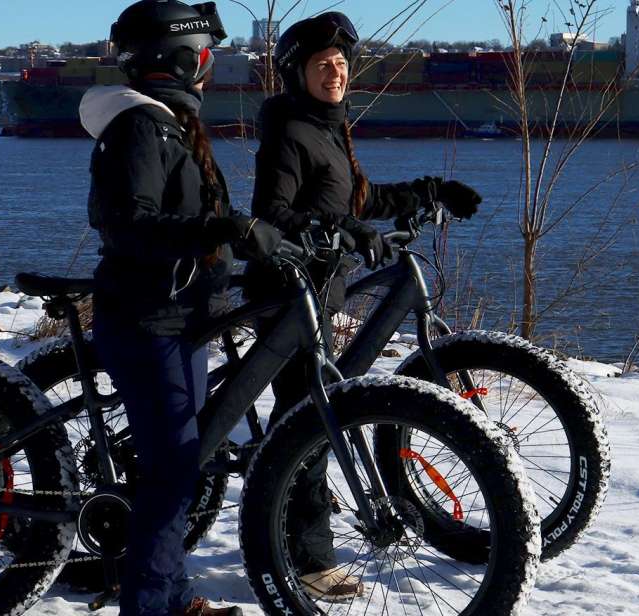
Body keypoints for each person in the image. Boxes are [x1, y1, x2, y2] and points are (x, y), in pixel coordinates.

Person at [248, 11, 484, 601]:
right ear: (295, 72)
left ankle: (291, 529)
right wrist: (341, 231)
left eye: (342, 63)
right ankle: (307, 561)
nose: (336, 72)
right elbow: (273, 212)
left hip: (318, 289)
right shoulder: (287, 130)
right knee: (309, 424)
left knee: (311, 421)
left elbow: (360, 198)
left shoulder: (327, 126)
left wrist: (430, 190)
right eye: (323, 64)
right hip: (288, 293)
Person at [81, 2, 279, 615]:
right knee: (171, 474)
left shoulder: (169, 124)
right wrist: (218, 229)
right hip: (147, 320)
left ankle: (175, 597)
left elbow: (188, 223)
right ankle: (146, 607)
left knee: (184, 465)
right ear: (181, 60)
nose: (210, 70)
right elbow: (127, 223)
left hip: (182, 317)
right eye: (204, 57)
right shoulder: (141, 127)